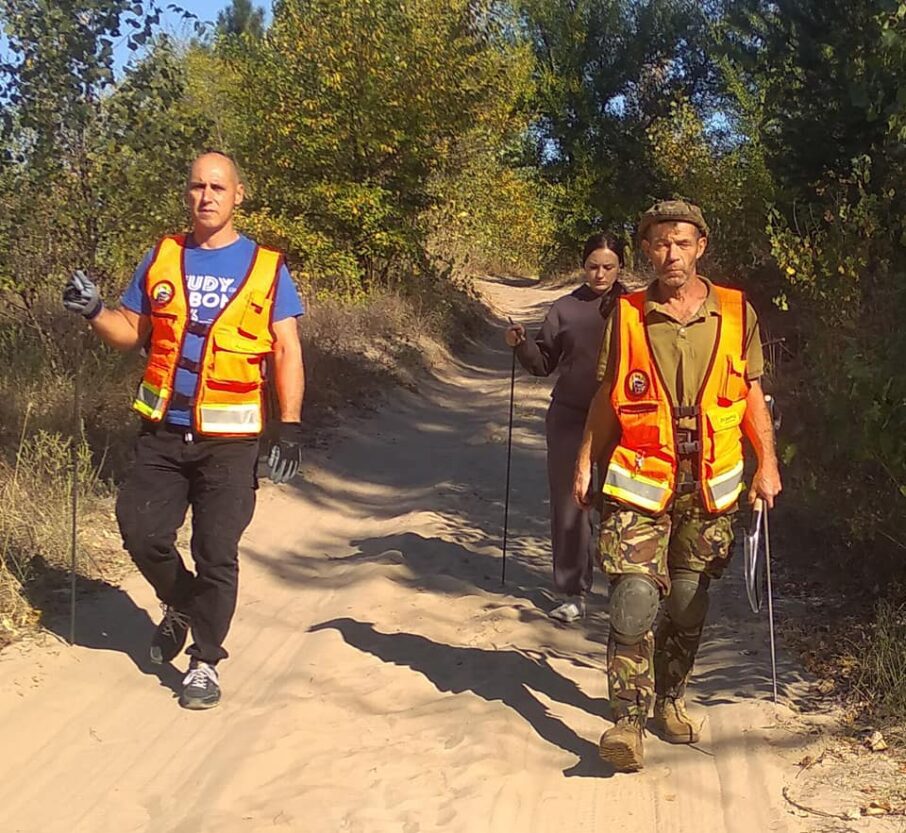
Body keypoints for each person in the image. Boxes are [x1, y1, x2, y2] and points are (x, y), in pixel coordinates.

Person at [62, 151, 306, 710]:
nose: (206, 196)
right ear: (187, 193)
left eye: (218, 186)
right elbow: (132, 332)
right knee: (140, 531)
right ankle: (182, 601)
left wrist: (288, 428)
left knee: (216, 550)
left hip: (231, 441)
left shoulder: (267, 268)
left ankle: (204, 661)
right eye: (197, 185)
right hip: (162, 433)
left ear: (238, 194)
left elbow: (287, 347)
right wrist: (95, 310)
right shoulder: (163, 256)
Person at [572, 199, 782, 771]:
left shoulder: (738, 313)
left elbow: (751, 395)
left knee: (688, 602)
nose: (672, 254)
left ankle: (669, 698)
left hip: (710, 482)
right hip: (641, 479)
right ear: (646, 250)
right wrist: (585, 460)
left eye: (682, 243)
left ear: (700, 247)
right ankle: (626, 722)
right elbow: (606, 396)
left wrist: (768, 463)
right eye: (661, 244)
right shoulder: (629, 313)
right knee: (635, 598)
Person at [505, 233, 626, 622]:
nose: (600, 274)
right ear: (582, 266)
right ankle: (573, 592)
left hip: (624, 420)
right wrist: (521, 345)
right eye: (593, 266)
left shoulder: (637, 307)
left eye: (608, 266)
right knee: (571, 504)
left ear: (621, 266)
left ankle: (627, 589)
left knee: (624, 504)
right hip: (570, 416)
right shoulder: (565, 308)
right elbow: (542, 363)